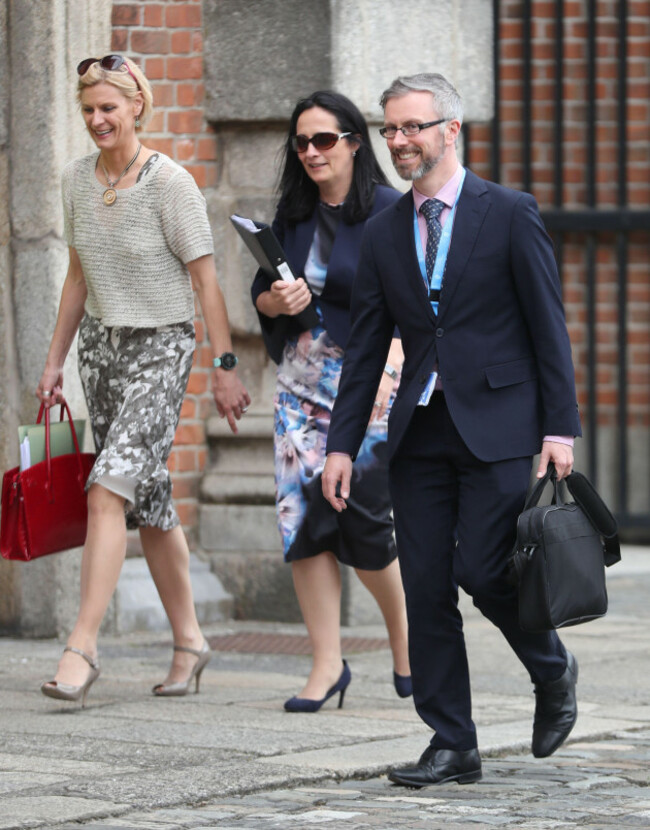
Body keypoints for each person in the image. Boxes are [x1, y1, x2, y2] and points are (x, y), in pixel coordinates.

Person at [322, 73, 582, 784]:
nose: (400, 141)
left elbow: (547, 328)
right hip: (420, 432)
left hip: (499, 423)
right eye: (391, 129)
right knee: (427, 586)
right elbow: (367, 346)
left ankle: (552, 668)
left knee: (484, 569)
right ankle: (451, 740)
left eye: (413, 126)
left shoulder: (508, 212)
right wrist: (342, 443)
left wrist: (559, 429)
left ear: (450, 130)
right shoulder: (381, 228)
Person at [37, 55, 250, 707]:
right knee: (149, 500)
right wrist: (54, 362)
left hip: (163, 348)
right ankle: (190, 641)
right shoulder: (77, 180)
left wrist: (223, 366)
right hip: (103, 352)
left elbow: (207, 282)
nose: (98, 119)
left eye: (109, 107)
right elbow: (77, 278)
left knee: (108, 489)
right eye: (89, 109)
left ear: (136, 107)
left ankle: (82, 646)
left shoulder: (170, 183)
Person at [251, 90, 411, 712]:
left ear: (352, 142)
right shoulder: (290, 216)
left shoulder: (394, 214)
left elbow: (419, 307)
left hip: (370, 390)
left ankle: (404, 637)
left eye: (324, 139)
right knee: (304, 524)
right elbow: (262, 294)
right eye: (301, 142)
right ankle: (326, 665)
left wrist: (392, 378)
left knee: (365, 521)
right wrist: (273, 303)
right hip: (298, 393)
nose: (312, 152)